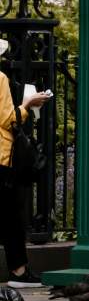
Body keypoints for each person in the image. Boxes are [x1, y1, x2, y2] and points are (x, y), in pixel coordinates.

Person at [0, 69, 51, 288]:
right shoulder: (0, 78)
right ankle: (18, 272)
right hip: (2, 158)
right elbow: (8, 119)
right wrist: (29, 103)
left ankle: (19, 271)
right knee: (11, 216)